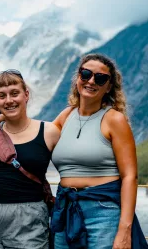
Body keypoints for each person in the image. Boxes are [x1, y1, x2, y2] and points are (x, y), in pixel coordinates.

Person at [51, 53, 146, 249]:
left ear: (109, 87)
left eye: (100, 78)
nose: (91, 81)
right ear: (78, 78)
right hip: (66, 209)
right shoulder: (65, 115)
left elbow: (130, 176)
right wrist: (3, 119)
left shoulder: (114, 120)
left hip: (103, 213)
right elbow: (34, 136)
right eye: (86, 74)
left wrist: (124, 230)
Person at [0, 70, 60, 249]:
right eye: (1, 96)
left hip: (29, 219)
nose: (9, 100)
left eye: (14, 93)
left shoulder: (48, 132)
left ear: (26, 94)